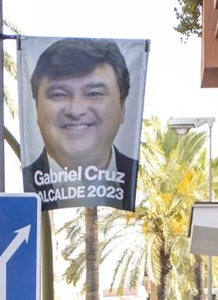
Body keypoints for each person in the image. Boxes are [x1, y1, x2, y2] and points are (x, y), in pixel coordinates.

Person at [23, 39, 139, 210]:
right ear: (36, 108)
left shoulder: (138, 178)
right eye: (58, 95)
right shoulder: (23, 191)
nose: (76, 111)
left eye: (94, 94)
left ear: (122, 107)